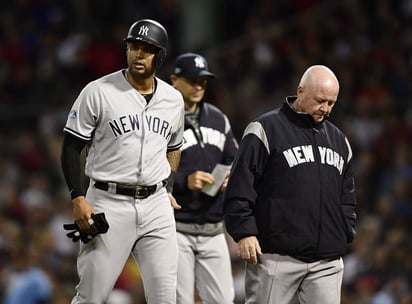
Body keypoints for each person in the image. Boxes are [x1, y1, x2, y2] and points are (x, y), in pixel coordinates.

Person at [60, 19, 185, 304]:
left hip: (156, 207)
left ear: (160, 56)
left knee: (166, 298)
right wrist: (78, 197)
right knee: (91, 296)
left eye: (148, 49)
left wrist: (169, 186)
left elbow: (175, 147)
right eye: (134, 47)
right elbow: (70, 147)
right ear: (126, 49)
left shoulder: (173, 99)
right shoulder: (98, 91)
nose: (139, 54)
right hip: (107, 202)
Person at [223, 65, 357, 304]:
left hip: (326, 262)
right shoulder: (265, 129)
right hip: (275, 257)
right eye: (320, 101)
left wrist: (344, 230)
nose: (325, 109)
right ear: (301, 91)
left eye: (331, 103)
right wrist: (244, 232)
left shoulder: (339, 140)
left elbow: (347, 195)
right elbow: (240, 184)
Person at [170, 53, 238, 303]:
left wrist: (229, 176)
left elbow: (234, 158)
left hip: (212, 227)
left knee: (223, 300)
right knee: (180, 300)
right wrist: (183, 181)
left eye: (203, 81)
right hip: (176, 227)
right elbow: (147, 169)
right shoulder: (162, 118)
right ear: (175, 80)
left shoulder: (218, 118)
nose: (199, 86)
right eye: (192, 80)